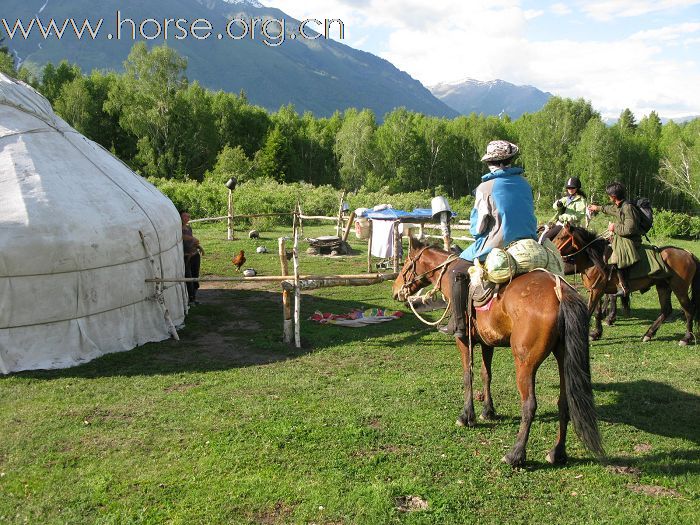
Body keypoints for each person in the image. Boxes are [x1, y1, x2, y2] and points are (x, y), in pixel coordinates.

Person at [441, 140, 538, 338]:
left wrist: (479, 233)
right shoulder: (525, 184)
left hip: (497, 244)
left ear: (489, 163)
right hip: (528, 242)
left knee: (456, 271)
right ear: (511, 160)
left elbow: (478, 228)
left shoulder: (485, 188)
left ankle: (459, 325)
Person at [587, 182, 642, 298]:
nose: (608, 197)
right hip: (621, 237)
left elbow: (630, 229)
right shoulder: (619, 206)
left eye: (609, 195)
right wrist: (597, 208)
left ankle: (624, 287)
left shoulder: (628, 208)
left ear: (613, 197)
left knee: (617, 256)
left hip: (630, 240)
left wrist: (614, 227)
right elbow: (610, 209)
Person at [180, 209, 204, 305]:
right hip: (186, 257)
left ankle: (194, 298)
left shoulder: (189, 228)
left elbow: (192, 242)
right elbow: (182, 237)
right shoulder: (177, 229)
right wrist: (193, 238)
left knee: (195, 277)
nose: (187, 218)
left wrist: (200, 247)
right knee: (188, 277)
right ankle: (190, 298)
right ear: (180, 217)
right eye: (184, 216)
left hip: (195, 255)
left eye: (188, 217)